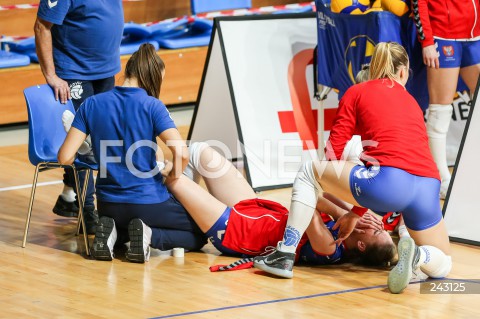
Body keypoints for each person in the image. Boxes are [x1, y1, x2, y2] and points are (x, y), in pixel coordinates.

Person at [253, 42, 452, 294]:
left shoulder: (357, 91)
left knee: (308, 172)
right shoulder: (412, 101)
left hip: (389, 181)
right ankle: (420, 257)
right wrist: (355, 213)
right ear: (403, 72)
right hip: (428, 186)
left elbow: (334, 152)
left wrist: (331, 185)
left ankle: (284, 253)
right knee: (444, 260)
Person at [58, 44, 206, 263]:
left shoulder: (91, 104)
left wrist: (92, 153)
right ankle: (149, 234)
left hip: (108, 204)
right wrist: (172, 178)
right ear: (152, 77)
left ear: (127, 71)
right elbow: (182, 154)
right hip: (148, 202)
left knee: (124, 222)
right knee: (200, 233)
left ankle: (114, 233)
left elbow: (65, 157)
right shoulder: (153, 106)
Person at [163, 142, 395, 268]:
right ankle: (183, 222)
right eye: (382, 228)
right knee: (199, 152)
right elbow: (321, 186)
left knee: (172, 177)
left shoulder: (330, 250)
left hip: (237, 231)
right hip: (257, 209)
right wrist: (351, 212)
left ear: (362, 246)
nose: (375, 224)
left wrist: (344, 214)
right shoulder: (345, 223)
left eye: (376, 231)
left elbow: (308, 203)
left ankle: (161, 208)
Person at [34, 0, 125, 228]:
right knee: (84, 143)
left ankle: (69, 198)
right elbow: (41, 26)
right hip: (74, 72)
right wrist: (51, 76)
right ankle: (88, 212)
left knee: (105, 139)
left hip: (106, 72)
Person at [413, 0, 480, 198]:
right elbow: (419, 3)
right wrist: (426, 41)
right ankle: (440, 178)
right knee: (440, 110)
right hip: (443, 37)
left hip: (475, 36)